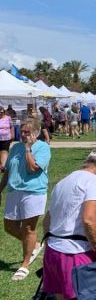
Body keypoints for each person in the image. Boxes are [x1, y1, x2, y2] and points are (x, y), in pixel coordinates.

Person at [42, 149, 96, 299]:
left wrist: (51, 248)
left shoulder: (62, 182)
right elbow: (89, 219)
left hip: (53, 252)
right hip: (76, 254)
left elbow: (47, 220)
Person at [0, 118, 51, 281]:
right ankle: (34, 245)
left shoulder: (43, 148)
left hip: (33, 192)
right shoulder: (15, 147)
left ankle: (25, 265)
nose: (23, 134)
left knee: (29, 228)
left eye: (27, 132)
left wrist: (28, 149)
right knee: (9, 226)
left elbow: (32, 168)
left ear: (36, 133)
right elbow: (7, 171)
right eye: (21, 131)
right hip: (14, 191)